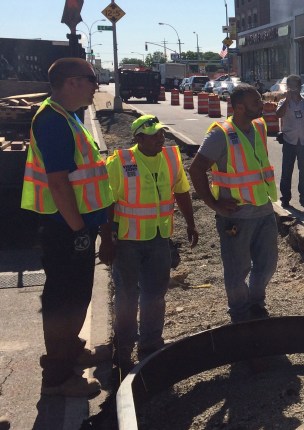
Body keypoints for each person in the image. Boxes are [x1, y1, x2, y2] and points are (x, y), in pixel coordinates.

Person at [21, 58, 112, 397]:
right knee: (65, 300)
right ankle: (58, 377)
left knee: (77, 295)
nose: (96, 87)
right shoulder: (52, 121)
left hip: (76, 226)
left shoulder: (67, 117)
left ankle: (71, 351)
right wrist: (78, 231)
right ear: (72, 82)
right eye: (92, 80)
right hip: (66, 229)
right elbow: (58, 183)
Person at [98, 115, 198, 369]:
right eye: (153, 135)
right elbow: (106, 203)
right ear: (138, 138)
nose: (160, 139)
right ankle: (123, 349)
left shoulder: (170, 158)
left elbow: (181, 190)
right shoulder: (120, 162)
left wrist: (190, 222)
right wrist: (107, 239)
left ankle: (150, 345)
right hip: (127, 241)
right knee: (127, 296)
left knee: (155, 295)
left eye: (161, 134)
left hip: (158, 238)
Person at [188, 84, 279, 323]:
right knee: (237, 271)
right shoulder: (220, 134)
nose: (262, 105)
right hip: (236, 216)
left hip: (263, 210)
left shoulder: (259, 126)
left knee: (267, 265)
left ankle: (256, 304)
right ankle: (239, 314)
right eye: (256, 102)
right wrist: (213, 204)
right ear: (239, 107)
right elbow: (196, 169)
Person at [275, 74, 304, 207]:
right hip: (289, 142)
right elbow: (278, 115)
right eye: (290, 86)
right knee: (287, 170)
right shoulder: (283, 103)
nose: (293, 89)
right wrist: (287, 100)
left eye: (295, 86)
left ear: (300, 87)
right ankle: (285, 197)